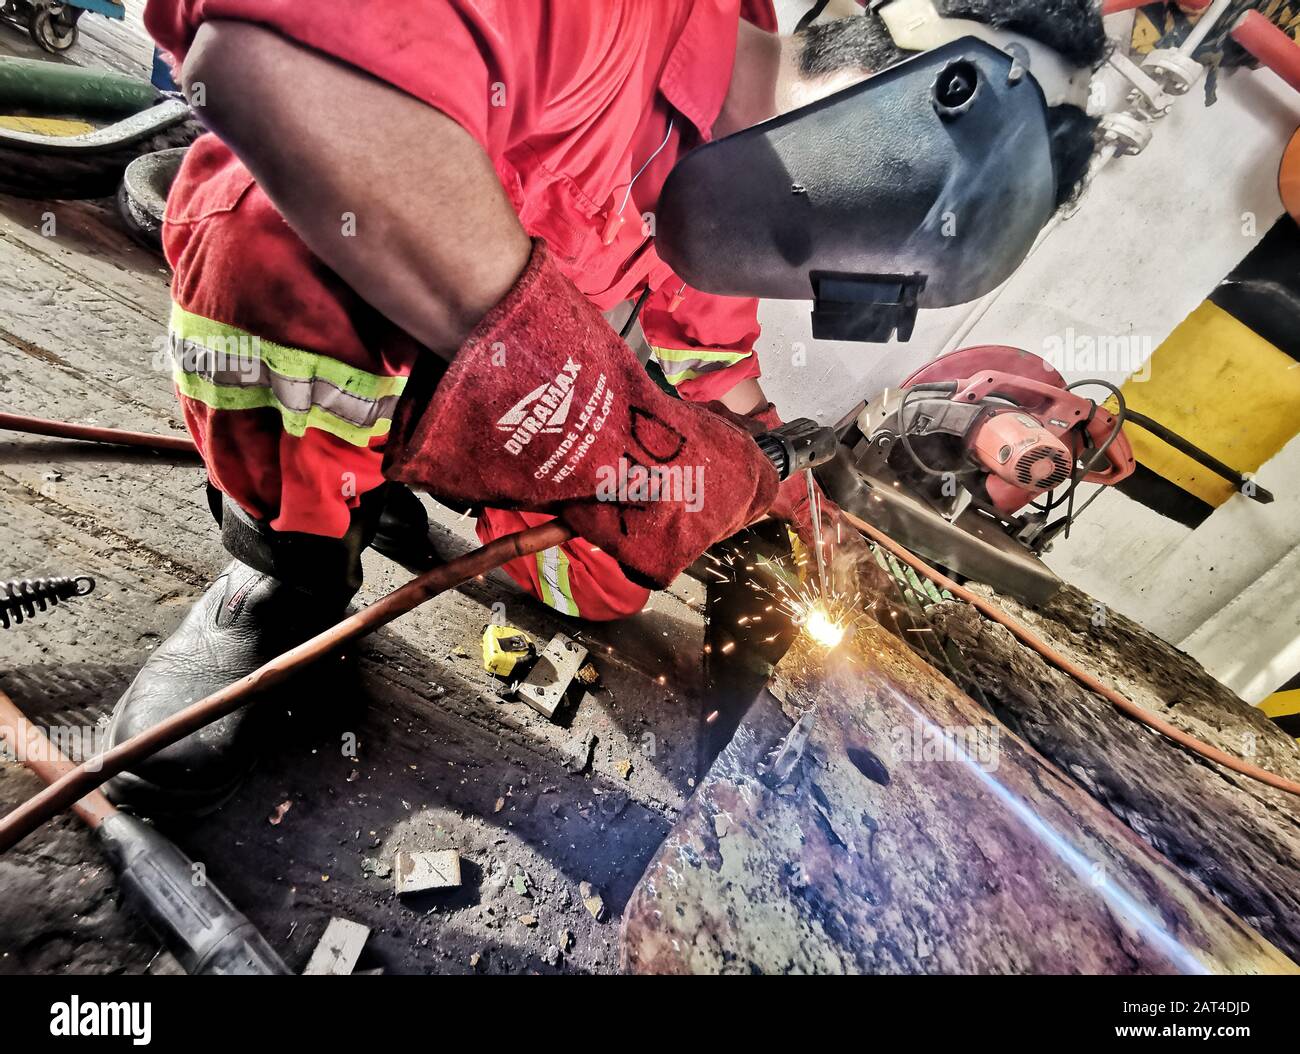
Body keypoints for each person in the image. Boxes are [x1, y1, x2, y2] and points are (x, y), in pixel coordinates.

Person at [107, 0, 1108, 812]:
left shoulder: (715, 186)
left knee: (611, 579)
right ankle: (286, 571)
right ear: (926, 97)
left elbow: (714, 368)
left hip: (487, 422)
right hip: (351, 337)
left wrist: (772, 496)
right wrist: (595, 409)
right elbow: (262, 65)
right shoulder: (606, 18)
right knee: (272, 245)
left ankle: (390, 493)